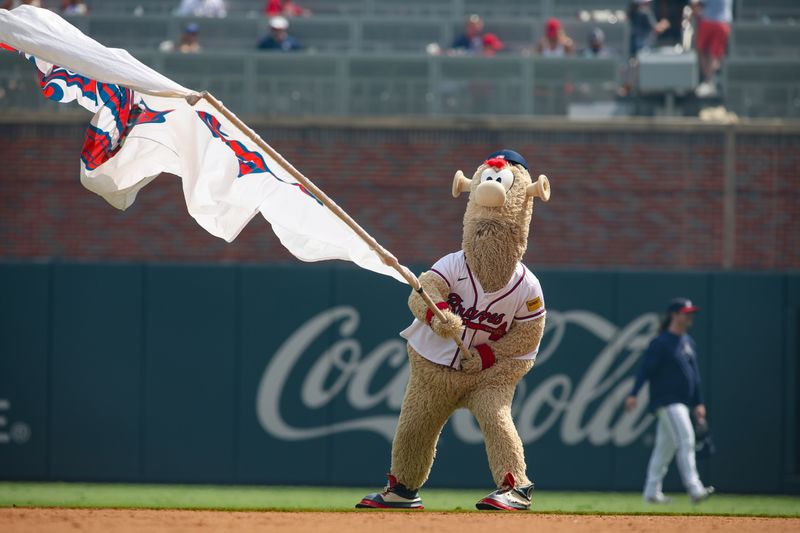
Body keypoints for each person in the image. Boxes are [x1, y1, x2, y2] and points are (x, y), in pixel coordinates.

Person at [624, 298, 715, 505]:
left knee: (665, 448)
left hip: (683, 401)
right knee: (686, 439)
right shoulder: (661, 342)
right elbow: (645, 370)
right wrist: (634, 393)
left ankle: (651, 492)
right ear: (674, 315)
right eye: (686, 312)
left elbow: (695, 376)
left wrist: (698, 403)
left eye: (691, 312)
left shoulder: (688, 342)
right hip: (667, 401)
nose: (690, 316)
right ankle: (695, 488)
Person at [692, 0, 732, 97]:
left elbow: (696, 3)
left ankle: (708, 82)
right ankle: (711, 81)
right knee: (715, 55)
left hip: (709, 22)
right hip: (723, 24)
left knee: (703, 52)